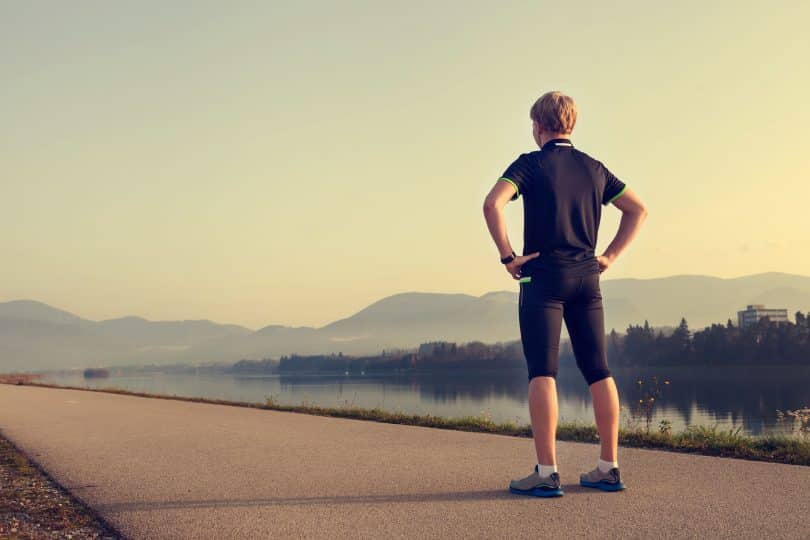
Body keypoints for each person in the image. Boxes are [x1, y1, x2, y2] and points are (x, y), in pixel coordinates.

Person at [482, 91, 648, 497]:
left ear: (539, 126)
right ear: (571, 124)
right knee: (599, 369)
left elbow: (492, 203)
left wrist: (508, 256)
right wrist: (608, 256)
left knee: (542, 371)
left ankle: (546, 472)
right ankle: (608, 467)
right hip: (587, 278)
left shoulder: (530, 165)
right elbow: (637, 209)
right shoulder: (594, 169)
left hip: (542, 278)